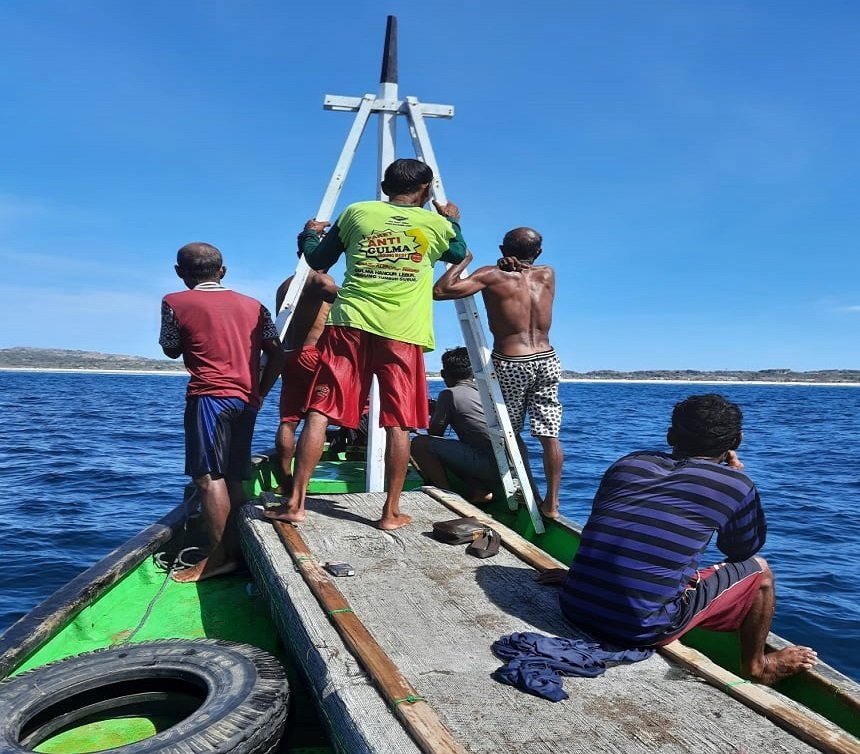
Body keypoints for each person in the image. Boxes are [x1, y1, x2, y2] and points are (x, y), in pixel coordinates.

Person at [550, 394, 817, 686]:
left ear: (670, 435)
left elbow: (612, 527)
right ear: (736, 442)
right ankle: (759, 667)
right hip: (638, 628)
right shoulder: (736, 484)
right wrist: (732, 482)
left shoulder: (628, 464)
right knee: (761, 571)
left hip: (574, 603)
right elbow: (740, 550)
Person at [263, 158, 466, 530]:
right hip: (403, 332)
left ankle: (295, 503)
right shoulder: (436, 224)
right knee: (400, 423)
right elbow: (458, 252)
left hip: (349, 325)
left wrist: (309, 234)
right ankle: (390, 512)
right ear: (425, 190)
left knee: (319, 411)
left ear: (386, 187)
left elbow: (317, 258)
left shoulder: (356, 212)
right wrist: (452, 219)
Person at [160, 242, 283, 582]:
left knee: (208, 478)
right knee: (234, 477)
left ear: (180, 272)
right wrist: (260, 393)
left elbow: (171, 348)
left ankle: (218, 559)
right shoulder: (255, 306)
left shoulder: (174, 302)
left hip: (209, 399)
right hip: (246, 401)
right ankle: (242, 551)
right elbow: (277, 354)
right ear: (222, 271)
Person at [432, 227, 563, 518]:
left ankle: (517, 491)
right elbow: (525, 270)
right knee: (549, 435)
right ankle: (551, 504)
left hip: (512, 360)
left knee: (508, 433)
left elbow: (440, 291)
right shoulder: (548, 274)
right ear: (538, 252)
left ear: (503, 250)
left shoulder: (492, 275)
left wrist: (464, 260)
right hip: (548, 358)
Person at [273, 252, 338, 495]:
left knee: (288, 421)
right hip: (313, 355)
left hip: (288, 355)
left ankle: (285, 479)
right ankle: (302, 484)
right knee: (316, 418)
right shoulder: (319, 279)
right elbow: (332, 291)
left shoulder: (285, 286)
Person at [411, 347, 499, 504]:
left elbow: (435, 433)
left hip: (489, 465)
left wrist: (437, 411)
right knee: (457, 447)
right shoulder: (487, 392)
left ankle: (449, 496)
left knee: (419, 444)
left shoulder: (449, 394)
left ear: (443, 374)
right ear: (473, 373)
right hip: (507, 464)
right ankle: (479, 490)